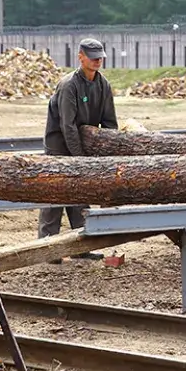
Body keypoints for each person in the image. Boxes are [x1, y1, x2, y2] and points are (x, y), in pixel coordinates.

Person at [40, 38, 118, 261]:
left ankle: (81, 247)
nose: (97, 61)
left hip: (83, 146)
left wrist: (107, 151)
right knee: (55, 195)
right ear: (81, 57)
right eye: (92, 57)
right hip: (59, 145)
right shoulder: (69, 85)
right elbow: (68, 126)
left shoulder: (103, 85)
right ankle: (47, 249)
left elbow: (110, 123)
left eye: (100, 57)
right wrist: (80, 160)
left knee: (80, 196)